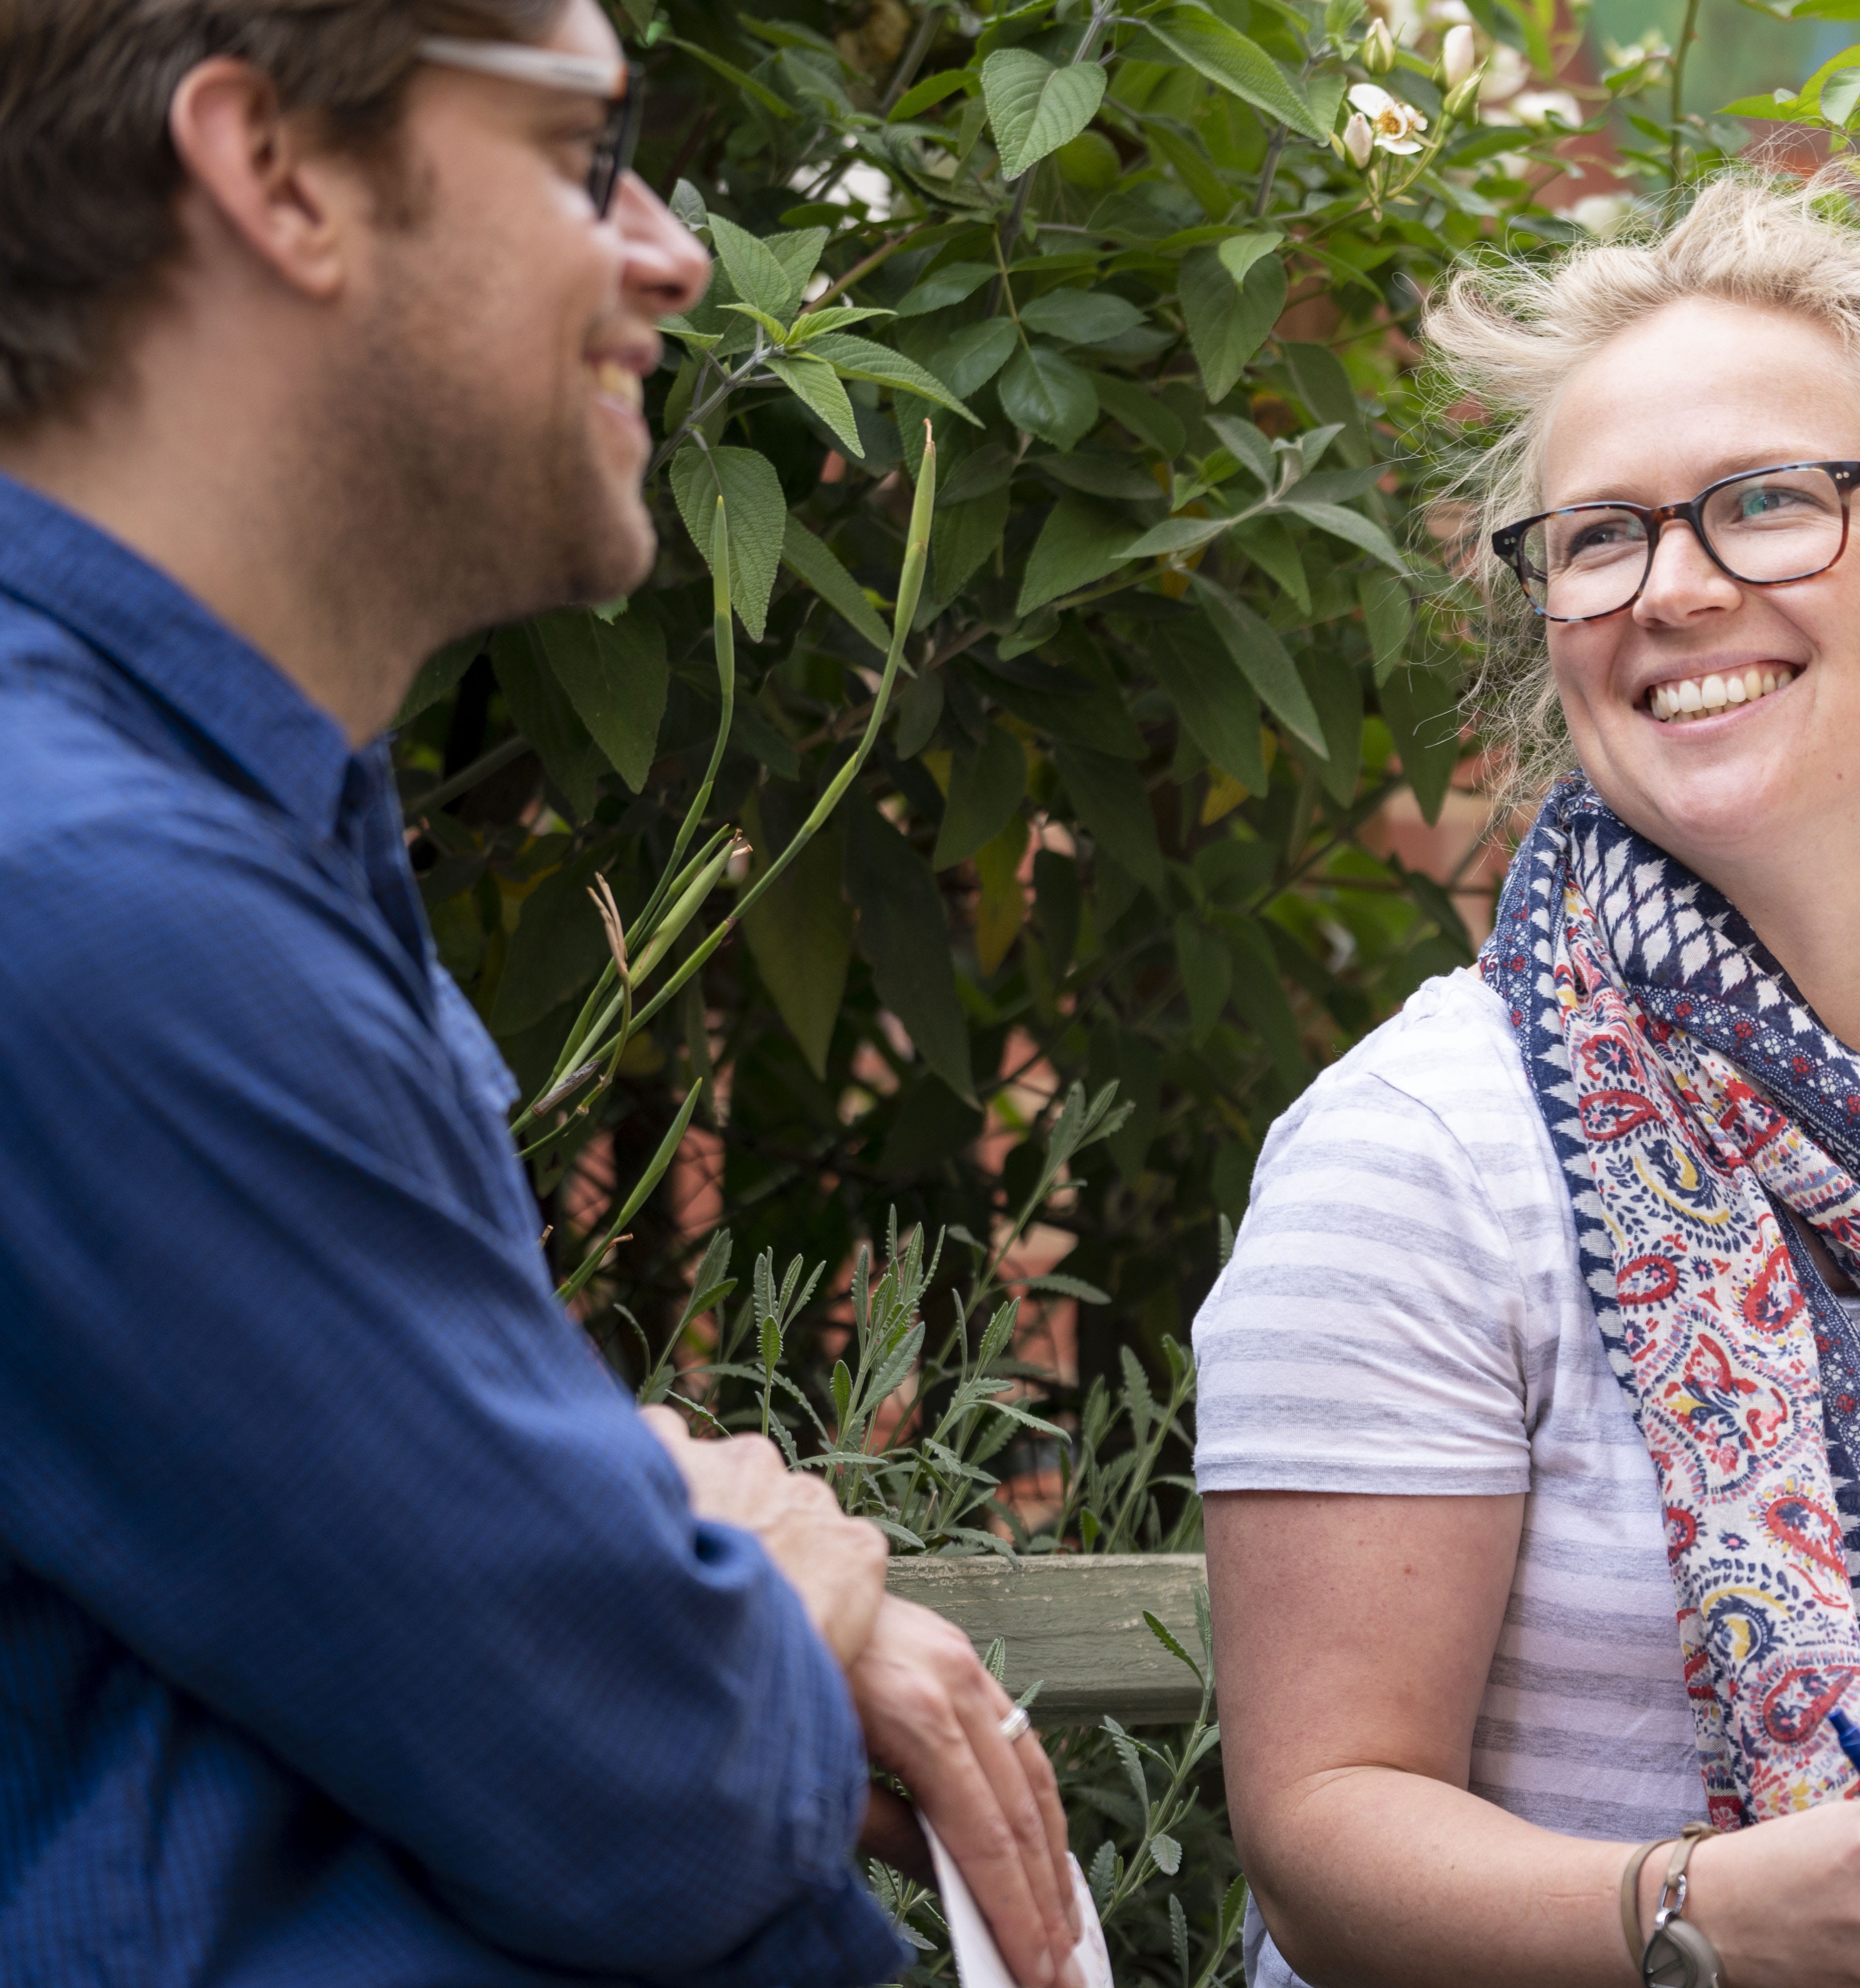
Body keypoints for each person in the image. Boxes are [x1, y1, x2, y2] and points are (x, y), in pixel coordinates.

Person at [0, 4, 1078, 1984]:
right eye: (587, 158)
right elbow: (654, 1776)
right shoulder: (95, 901)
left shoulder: (217, 832)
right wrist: (776, 1579)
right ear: (283, 175)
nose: (671, 252)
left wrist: (679, 1546)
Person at [1195, 177, 1860, 1988]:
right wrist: (1696, 1916)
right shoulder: (1423, 1156)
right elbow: (1323, 1835)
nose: (1673, 589)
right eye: (1600, 538)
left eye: (1767, 504)